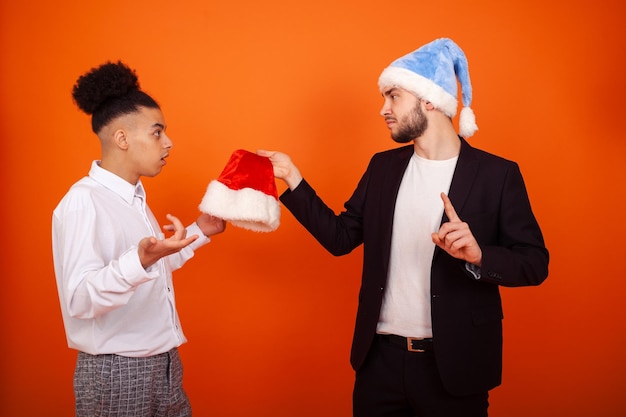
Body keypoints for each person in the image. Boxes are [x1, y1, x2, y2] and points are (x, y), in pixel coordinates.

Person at [258, 38, 549, 417]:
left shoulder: (498, 174)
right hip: (380, 364)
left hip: (456, 367)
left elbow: (534, 263)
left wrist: (480, 256)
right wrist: (294, 180)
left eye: (393, 96)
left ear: (429, 100)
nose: (383, 109)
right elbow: (341, 237)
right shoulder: (383, 168)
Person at [52, 61, 226, 417]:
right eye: (157, 132)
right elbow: (80, 299)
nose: (168, 142)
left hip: (164, 362)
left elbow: (151, 267)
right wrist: (141, 260)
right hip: (117, 371)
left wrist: (199, 231)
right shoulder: (83, 202)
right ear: (122, 138)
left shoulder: (133, 198)